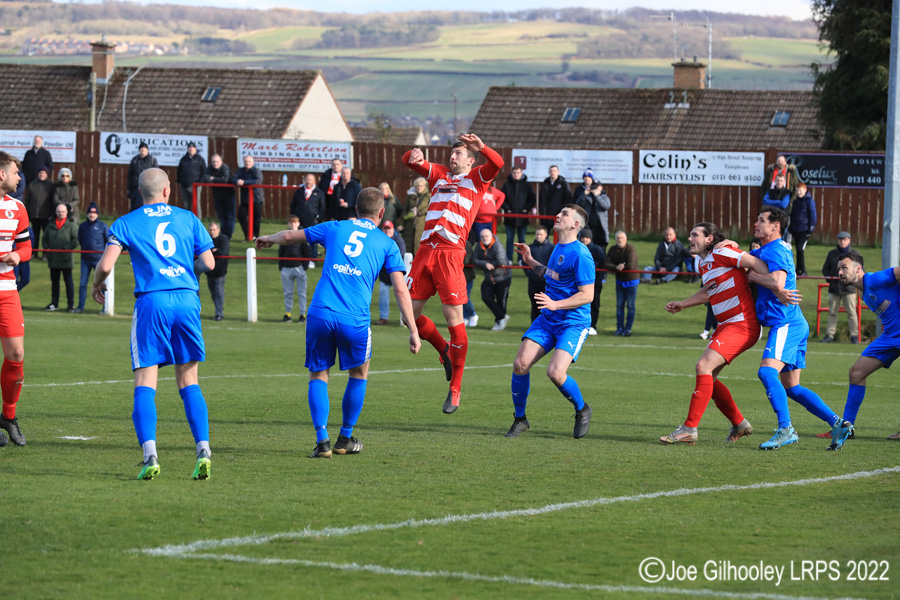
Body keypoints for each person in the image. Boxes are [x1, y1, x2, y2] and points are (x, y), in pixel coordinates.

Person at [255, 187, 421, 458]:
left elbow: (289, 235)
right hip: (354, 319)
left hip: (320, 313)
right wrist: (413, 329)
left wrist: (269, 238)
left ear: (355, 209)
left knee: (319, 375)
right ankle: (345, 438)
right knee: (358, 373)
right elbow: (401, 290)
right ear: (381, 213)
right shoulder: (387, 243)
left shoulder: (334, 227)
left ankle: (322, 442)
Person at [92, 168, 216, 480]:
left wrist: (97, 283)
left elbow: (106, 264)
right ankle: (203, 449)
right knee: (189, 382)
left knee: (145, 382)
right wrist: (185, 274)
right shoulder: (187, 217)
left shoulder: (126, 222)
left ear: (140, 193)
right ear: (166, 191)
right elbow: (210, 263)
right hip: (187, 300)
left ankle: (150, 455)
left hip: (152, 302)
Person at [727, 209, 849, 450]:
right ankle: (838, 423)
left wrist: (754, 277)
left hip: (786, 323)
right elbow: (751, 261)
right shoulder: (768, 249)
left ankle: (786, 429)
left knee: (766, 372)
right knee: (792, 387)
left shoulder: (776, 249)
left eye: (762, 220)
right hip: (794, 322)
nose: (756, 223)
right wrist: (731, 247)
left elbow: (777, 282)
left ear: (775, 227)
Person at [401, 133, 504, 414]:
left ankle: (455, 388)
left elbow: (498, 162)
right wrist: (413, 156)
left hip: (449, 253)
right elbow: (408, 161)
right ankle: (444, 350)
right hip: (425, 250)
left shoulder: (478, 178)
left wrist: (480, 146)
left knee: (454, 319)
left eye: (459, 154)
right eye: (453, 153)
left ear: (471, 161)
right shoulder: (440, 175)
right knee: (407, 314)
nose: (453, 156)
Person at [660, 222, 783, 445]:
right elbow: (709, 292)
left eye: (694, 234)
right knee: (709, 380)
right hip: (727, 325)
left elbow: (756, 263)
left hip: (743, 324)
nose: (689, 238)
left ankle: (689, 429)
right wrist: (683, 304)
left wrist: (775, 285)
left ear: (709, 239)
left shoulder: (723, 251)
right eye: (689, 234)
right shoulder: (705, 263)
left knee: (702, 367)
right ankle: (740, 424)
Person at [506, 204, 595, 439]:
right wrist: (529, 259)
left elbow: (587, 295)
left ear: (575, 224)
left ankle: (582, 409)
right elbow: (552, 274)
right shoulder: (559, 247)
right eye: (559, 212)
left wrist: (556, 304)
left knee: (555, 373)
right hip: (549, 318)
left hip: (573, 322)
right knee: (520, 364)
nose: (558, 215)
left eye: (564, 214)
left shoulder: (581, 254)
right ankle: (520, 419)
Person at [831, 250, 899, 445]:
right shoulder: (862, 292)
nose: (840, 273)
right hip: (890, 337)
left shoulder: (876, 279)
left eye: (844, 268)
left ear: (858, 268)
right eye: (839, 269)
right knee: (856, 373)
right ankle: (848, 428)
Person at [0, 152, 32, 448]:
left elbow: (26, 248)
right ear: (1, 174)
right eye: (15, 172)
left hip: (7, 290)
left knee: (17, 354)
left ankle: (8, 417)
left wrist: (17, 255)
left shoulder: (17, 208)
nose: (19, 177)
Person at [821, 231, 859, 343]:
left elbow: (860, 270)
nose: (843, 241)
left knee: (852, 312)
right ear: (837, 240)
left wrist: (853, 281)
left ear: (849, 240)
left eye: (845, 239)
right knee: (832, 312)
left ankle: (854, 336)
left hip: (850, 289)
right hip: (834, 288)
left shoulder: (855, 254)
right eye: (840, 239)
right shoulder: (832, 254)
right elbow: (825, 269)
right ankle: (830, 335)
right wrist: (830, 280)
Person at [473, 228, 511, 331]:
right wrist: (485, 264)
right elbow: (474, 259)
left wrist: (490, 264)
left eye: (487, 236)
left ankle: (499, 321)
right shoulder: (479, 246)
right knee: (486, 296)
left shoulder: (497, 246)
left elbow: (501, 260)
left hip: (502, 277)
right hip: (489, 278)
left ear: (491, 236)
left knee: (501, 301)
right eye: (482, 237)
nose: (484, 238)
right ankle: (502, 317)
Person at [277, 215, 312, 323]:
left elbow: (307, 252)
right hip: (286, 268)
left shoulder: (302, 236)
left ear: (298, 224)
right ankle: (288, 314)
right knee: (288, 292)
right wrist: (281, 267)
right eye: (291, 222)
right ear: (288, 224)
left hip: (299, 267)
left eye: (295, 222)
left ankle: (303, 314)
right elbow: (280, 252)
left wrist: (304, 267)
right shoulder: (284, 236)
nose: (293, 224)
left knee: (302, 293)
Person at [43, 203, 77, 312]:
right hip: (53, 259)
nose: (60, 213)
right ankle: (54, 303)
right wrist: (47, 248)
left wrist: (65, 248)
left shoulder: (72, 226)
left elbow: (75, 240)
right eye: (58, 211)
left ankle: (70, 305)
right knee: (55, 282)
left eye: (63, 211)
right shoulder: (50, 225)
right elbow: (44, 239)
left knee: (68, 282)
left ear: (67, 212)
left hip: (66, 259)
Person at [75, 202, 108, 313]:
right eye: (90, 212)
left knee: (102, 284)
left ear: (97, 214)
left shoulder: (103, 226)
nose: (92, 215)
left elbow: (108, 241)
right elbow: (79, 239)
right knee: (83, 283)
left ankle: (105, 308)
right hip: (85, 259)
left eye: (94, 213)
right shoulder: (82, 226)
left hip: (99, 259)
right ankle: (80, 307)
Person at [605, 230, 639, 336]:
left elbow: (631, 265)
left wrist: (619, 266)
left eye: (622, 238)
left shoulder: (631, 249)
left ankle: (628, 329)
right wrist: (616, 267)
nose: (620, 240)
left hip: (632, 281)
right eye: (618, 238)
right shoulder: (612, 249)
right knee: (619, 306)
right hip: (619, 281)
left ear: (626, 239)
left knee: (630, 306)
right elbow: (606, 264)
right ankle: (619, 328)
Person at [500, 166, 535, 262]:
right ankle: (509, 258)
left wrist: (526, 209)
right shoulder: (507, 185)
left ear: (521, 174)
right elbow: (502, 198)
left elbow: (532, 199)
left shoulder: (527, 185)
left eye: (518, 172)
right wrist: (507, 209)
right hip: (510, 217)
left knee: (521, 239)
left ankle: (521, 259)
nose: (516, 174)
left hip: (522, 217)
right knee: (509, 239)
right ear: (512, 174)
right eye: (514, 173)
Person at [290, 173, 326, 266]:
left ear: (314, 181)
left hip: (313, 221)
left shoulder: (319, 193)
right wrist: (294, 217)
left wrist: (318, 219)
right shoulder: (299, 192)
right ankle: (300, 259)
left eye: (310, 180)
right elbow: (293, 205)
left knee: (313, 241)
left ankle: (312, 260)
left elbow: (322, 208)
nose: (308, 181)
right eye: (306, 179)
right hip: (300, 221)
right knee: (299, 241)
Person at [376, 220, 407, 325]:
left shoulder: (399, 240)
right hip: (385, 275)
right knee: (383, 293)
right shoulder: (379, 240)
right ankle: (383, 317)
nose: (387, 231)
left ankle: (406, 318)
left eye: (389, 228)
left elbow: (401, 256)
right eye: (385, 228)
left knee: (402, 294)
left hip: (398, 273)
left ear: (393, 229)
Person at [574, 169, 611, 250]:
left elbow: (605, 206)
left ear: (601, 188)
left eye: (596, 186)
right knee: (587, 248)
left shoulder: (604, 197)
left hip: (600, 228)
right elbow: (578, 205)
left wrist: (597, 196)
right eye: (593, 186)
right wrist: (584, 194)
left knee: (601, 249)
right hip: (588, 228)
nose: (594, 188)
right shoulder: (587, 197)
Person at [578, 228, 605, 335]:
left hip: (595, 283)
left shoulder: (597, 250)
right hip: (579, 283)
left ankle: (593, 325)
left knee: (594, 304)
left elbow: (601, 261)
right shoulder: (577, 249)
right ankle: (581, 324)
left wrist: (588, 266)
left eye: (587, 238)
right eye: (583, 237)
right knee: (580, 303)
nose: (585, 240)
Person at [526, 225, 555, 322]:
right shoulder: (530, 248)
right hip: (533, 281)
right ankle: (533, 327)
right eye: (537, 234)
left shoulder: (552, 249)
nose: (538, 236)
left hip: (546, 283)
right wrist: (530, 273)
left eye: (541, 234)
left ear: (546, 235)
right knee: (534, 306)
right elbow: (525, 262)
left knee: (545, 306)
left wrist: (547, 276)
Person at [203, 154, 235, 239]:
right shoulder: (210, 168)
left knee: (229, 217)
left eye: (217, 161)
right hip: (217, 196)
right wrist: (216, 179)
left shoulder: (225, 168)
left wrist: (213, 179)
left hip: (228, 196)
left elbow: (225, 180)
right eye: (213, 162)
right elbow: (205, 178)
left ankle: (228, 235)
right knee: (221, 217)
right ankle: (223, 235)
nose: (215, 163)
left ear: (221, 162)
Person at [24, 165, 54, 252]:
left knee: (46, 235)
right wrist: (28, 213)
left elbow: (53, 201)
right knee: (35, 235)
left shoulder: (51, 185)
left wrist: (52, 214)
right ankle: (34, 252)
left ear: (47, 174)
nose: (42, 175)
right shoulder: (32, 184)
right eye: (40, 173)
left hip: (46, 215)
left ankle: (45, 253)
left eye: (44, 173)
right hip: (35, 214)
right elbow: (28, 200)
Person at [789, 182, 816, 276]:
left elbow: (813, 215)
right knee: (797, 250)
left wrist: (810, 229)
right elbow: (792, 215)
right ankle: (798, 269)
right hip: (796, 230)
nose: (798, 192)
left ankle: (804, 270)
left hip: (804, 231)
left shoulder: (809, 201)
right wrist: (791, 227)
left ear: (805, 190)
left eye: (800, 190)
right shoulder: (796, 202)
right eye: (797, 191)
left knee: (800, 249)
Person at [234, 155, 263, 240]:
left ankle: (256, 237)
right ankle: (248, 235)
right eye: (246, 161)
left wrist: (244, 182)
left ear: (253, 163)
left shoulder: (257, 171)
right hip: (245, 199)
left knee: (256, 219)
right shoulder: (240, 171)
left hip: (257, 199)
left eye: (249, 161)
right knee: (241, 215)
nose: (247, 163)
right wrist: (237, 181)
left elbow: (258, 181)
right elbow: (233, 178)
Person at [205, 221, 229, 322]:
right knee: (213, 293)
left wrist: (212, 252)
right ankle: (218, 311)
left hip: (220, 271)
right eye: (210, 230)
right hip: (209, 271)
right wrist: (212, 251)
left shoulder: (223, 239)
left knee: (219, 293)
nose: (212, 232)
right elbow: (202, 251)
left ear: (218, 230)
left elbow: (222, 252)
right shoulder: (207, 239)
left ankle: (219, 313)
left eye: (214, 230)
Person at [127, 142, 157, 212]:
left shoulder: (152, 160)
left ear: (147, 150)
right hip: (135, 188)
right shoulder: (134, 160)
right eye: (141, 148)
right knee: (134, 209)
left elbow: (155, 175)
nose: (143, 149)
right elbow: (130, 175)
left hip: (148, 189)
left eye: (144, 148)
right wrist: (129, 188)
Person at [176, 142, 206, 209]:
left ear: (195, 149)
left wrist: (199, 182)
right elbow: (179, 171)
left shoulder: (200, 159)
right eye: (190, 148)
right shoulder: (183, 159)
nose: (191, 149)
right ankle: (187, 219)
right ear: (187, 149)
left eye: (192, 148)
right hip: (184, 186)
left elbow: (204, 172)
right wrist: (179, 181)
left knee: (196, 205)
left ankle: (197, 219)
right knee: (185, 205)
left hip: (195, 186)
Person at [462, 239, 478, 327]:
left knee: (465, 297)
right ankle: (466, 316)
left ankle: (473, 314)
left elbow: (466, 260)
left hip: (467, 277)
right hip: (457, 277)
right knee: (460, 298)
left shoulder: (466, 244)